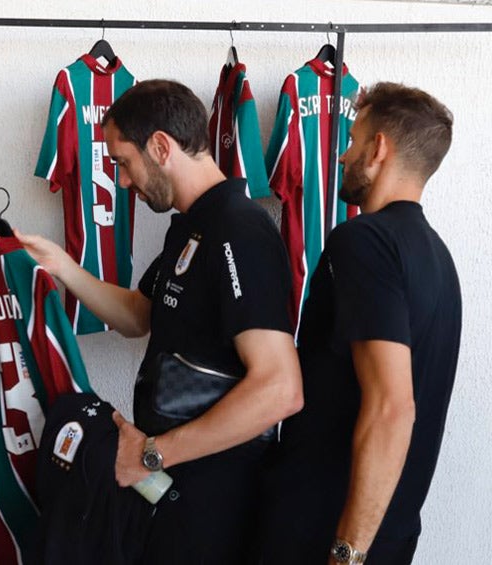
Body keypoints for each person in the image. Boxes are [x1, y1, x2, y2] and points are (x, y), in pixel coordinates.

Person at [16, 79, 303, 563]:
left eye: (123, 162)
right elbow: (137, 315)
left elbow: (281, 390)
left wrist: (152, 454)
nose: (123, 181)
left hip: (216, 503)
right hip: (170, 494)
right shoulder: (193, 226)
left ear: (161, 146)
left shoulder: (239, 230)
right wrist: (62, 267)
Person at [257, 83, 461, 564]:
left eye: (352, 139)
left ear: (379, 149)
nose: (343, 155)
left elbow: (393, 408)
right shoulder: (438, 258)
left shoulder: (363, 242)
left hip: (328, 536)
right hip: (388, 535)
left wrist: (346, 553)